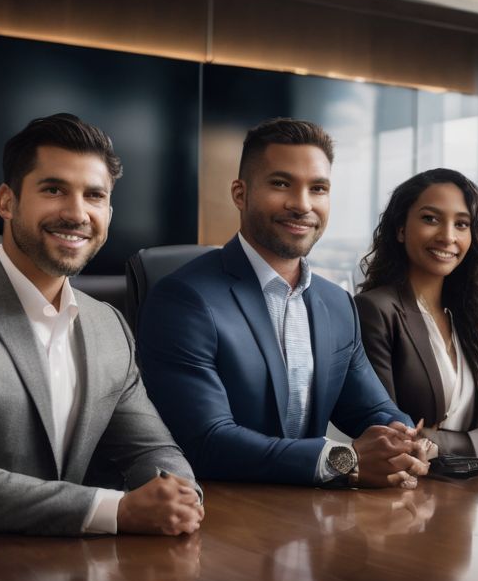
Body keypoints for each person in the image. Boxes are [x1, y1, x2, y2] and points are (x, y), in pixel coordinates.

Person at [0, 113, 202, 536]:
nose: (77, 213)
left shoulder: (108, 325)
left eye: (94, 196)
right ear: (7, 201)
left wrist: (180, 495)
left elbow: (152, 450)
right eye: (54, 189)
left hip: (69, 568)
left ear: (109, 211)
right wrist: (119, 511)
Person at [137, 118, 431, 489]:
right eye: (281, 184)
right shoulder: (184, 300)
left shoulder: (337, 304)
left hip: (308, 515)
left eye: (318, 188)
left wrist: (402, 440)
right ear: (240, 194)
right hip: (220, 516)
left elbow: (372, 409)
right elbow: (205, 442)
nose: (302, 204)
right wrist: (344, 460)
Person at [355, 169, 478, 459]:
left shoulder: (467, 317)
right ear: (401, 229)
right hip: (404, 495)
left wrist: (435, 440)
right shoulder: (376, 311)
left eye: (462, 224)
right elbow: (392, 437)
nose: (447, 236)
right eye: (430, 219)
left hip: (472, 496)